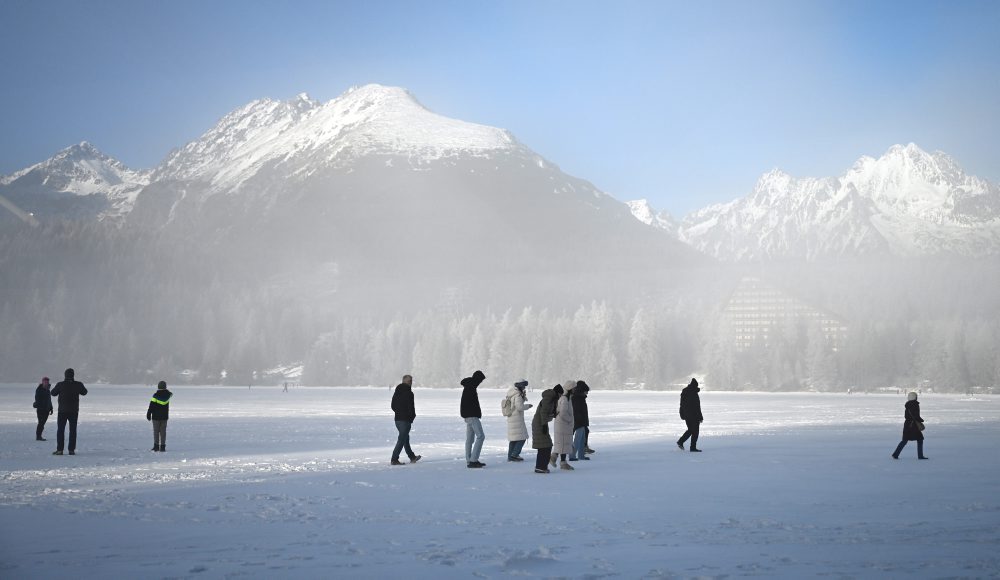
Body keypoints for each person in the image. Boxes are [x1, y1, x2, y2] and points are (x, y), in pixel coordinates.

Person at [50, 368, 88, 455]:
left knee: (60, 430)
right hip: (74, 411)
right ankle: (71, 450)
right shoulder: (78, 384)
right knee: (73, 430)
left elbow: (53, 393)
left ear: (65, 375)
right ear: (73, 375)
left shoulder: (60, 384)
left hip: (62, 411)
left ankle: (60, 450)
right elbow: (85, 392)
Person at [390, 375, 421, 465]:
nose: (411, 382)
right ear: (407, 382)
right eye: (410, 381)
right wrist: (411, 416)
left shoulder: (397, 392)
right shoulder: (409, 393)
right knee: (402, 439)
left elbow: (393, 406)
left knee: (405, 438)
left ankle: (412, 457)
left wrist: (399, 412)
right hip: (405, 420)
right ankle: (394, 459)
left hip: (397, 419)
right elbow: (411, 407)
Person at [460, 370, 487, 468]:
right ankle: (473, 460)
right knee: (481, 436)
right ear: (477, 379)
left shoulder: (469, 386)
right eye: (481, 380)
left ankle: (469, 460)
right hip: (472, 416)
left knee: (470, 439)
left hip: (468, 416)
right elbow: (470, 404)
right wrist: (475, 413)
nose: (481, 382)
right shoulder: (471, 387)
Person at [892, 392, 928, 460]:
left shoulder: (907, 405)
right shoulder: (915, 404)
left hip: (907, 424)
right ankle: (920, 456)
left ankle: (895, 454)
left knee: (904, 440)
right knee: (920, 439)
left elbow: (906, 416)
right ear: (915, 397)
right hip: (913, 425)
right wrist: (921, 420)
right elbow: (916, 415)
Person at [531, 386, 560, 473]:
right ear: (558, 393)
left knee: (545, 446)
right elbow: (543, 412)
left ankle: (541, 466)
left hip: (541, 424)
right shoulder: (548, 398)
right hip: (539, 424)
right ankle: (540, 467)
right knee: (544, 446)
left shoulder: (551, 399)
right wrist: (543, 425)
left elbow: (548, 412)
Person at [505, 380, 533, 461]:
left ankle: (510, 456)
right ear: (520, 386)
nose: (524, 388)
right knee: (522, 438)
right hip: (517, 419)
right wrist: (528, 406)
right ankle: (514, 455)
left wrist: (523, 397)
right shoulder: (517, 395)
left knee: (514, 439)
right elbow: (519, 407)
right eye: (523, 386)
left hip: (511, 418)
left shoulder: (511, 393)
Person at [551, 380, 576, 470]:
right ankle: (562, 463)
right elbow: (563, 413)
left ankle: (556, 459)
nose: (575, 389)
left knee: (563, 443)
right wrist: (570, 420)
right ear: (570, 388)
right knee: (563, 443)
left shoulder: (567, 398)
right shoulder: (565, 399)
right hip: (563, 424)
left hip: (563, 424)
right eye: (574, 388)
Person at [677, 378, 703, 452]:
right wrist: (700, 417)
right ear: (695, 386)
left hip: (687, 415)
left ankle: (681, 441)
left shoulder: (685, 392)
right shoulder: (694, 393)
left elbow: (681, 404)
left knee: (691, 430)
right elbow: (697, 407)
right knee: (695, 431)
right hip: (694, 416)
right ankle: (692, 447)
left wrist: (682, 414)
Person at [146, 380, 172, 452]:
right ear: (165, 387)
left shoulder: (155, 395)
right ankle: (163, 447)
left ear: (158, 387)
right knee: (163, 432)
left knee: (156, 432)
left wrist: (148, 413)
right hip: (164, 417)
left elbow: (151, 406)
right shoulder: (168, 395)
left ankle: (156, 446)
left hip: (156, 417)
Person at [570, 380, 590, 461]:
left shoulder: (580, 398)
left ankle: (581, 455)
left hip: (582, 421)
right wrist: (580, 421)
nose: (587, 393)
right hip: (578, 422)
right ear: (582, 390)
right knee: (578, 440)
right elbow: (576, 411)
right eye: (586, 391)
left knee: (582, 439)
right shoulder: (577, 398)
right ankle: (572, 455)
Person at [34, 377, 53, 441]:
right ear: (42, 382)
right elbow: (37, 399)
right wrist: (41, 406)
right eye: (45, 381)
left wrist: (51, 408)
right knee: (41, 423)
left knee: (42, 423)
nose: (46, 383)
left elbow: (49, 400)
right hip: (40, 409)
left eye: (47, 382)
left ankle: (39, 436)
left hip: (47, 410)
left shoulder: (48, 390)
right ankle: (38, 436)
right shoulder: (39, 389)